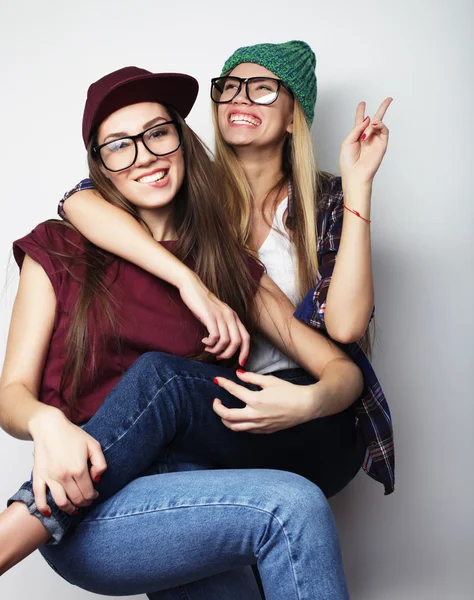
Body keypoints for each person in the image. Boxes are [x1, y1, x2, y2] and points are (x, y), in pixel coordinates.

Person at [0, 66, 364, 598]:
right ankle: (19, 528)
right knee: (287, 501)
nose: (145, 155)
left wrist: (303, 403)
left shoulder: (227, 266)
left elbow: (344, 371)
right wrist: (47, 421)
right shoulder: (61, 247)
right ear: (101, 168)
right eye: (119, 146)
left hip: (196, 496)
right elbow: (11, 398)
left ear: (182, 140)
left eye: (157, 133)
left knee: (291, 501)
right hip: (88, 509)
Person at [57, 41, 395, 494]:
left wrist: (358, 186)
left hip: (314, 405)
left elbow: (347, 326)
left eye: (261, 89)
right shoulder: (191, 192)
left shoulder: (326, 200)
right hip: (219, 397)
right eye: (231, 87)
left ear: (295, 116)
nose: (240, 98)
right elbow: (78, 200)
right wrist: (190, 281)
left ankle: (40, 515)